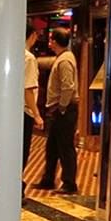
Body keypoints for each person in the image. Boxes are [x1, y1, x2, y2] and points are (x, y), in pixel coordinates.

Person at [33, 27, 79, 194]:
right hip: (59, 109)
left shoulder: (65, 60)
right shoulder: (63, 57)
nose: (49, 42)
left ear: (55, 41)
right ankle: (48, 179)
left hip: (64, 109)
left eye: (51, 39)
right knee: (52, 146)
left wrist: (62, 107)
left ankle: (69, 183)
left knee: (65, 147)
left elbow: (68, 87)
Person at [22, 23, 43, 201]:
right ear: (33, 35)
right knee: (22, 152)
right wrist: (36, 114)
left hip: (13, 111)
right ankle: (17, 188)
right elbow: (28, 89)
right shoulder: (28, 58)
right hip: (24, 112)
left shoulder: (12, 54)